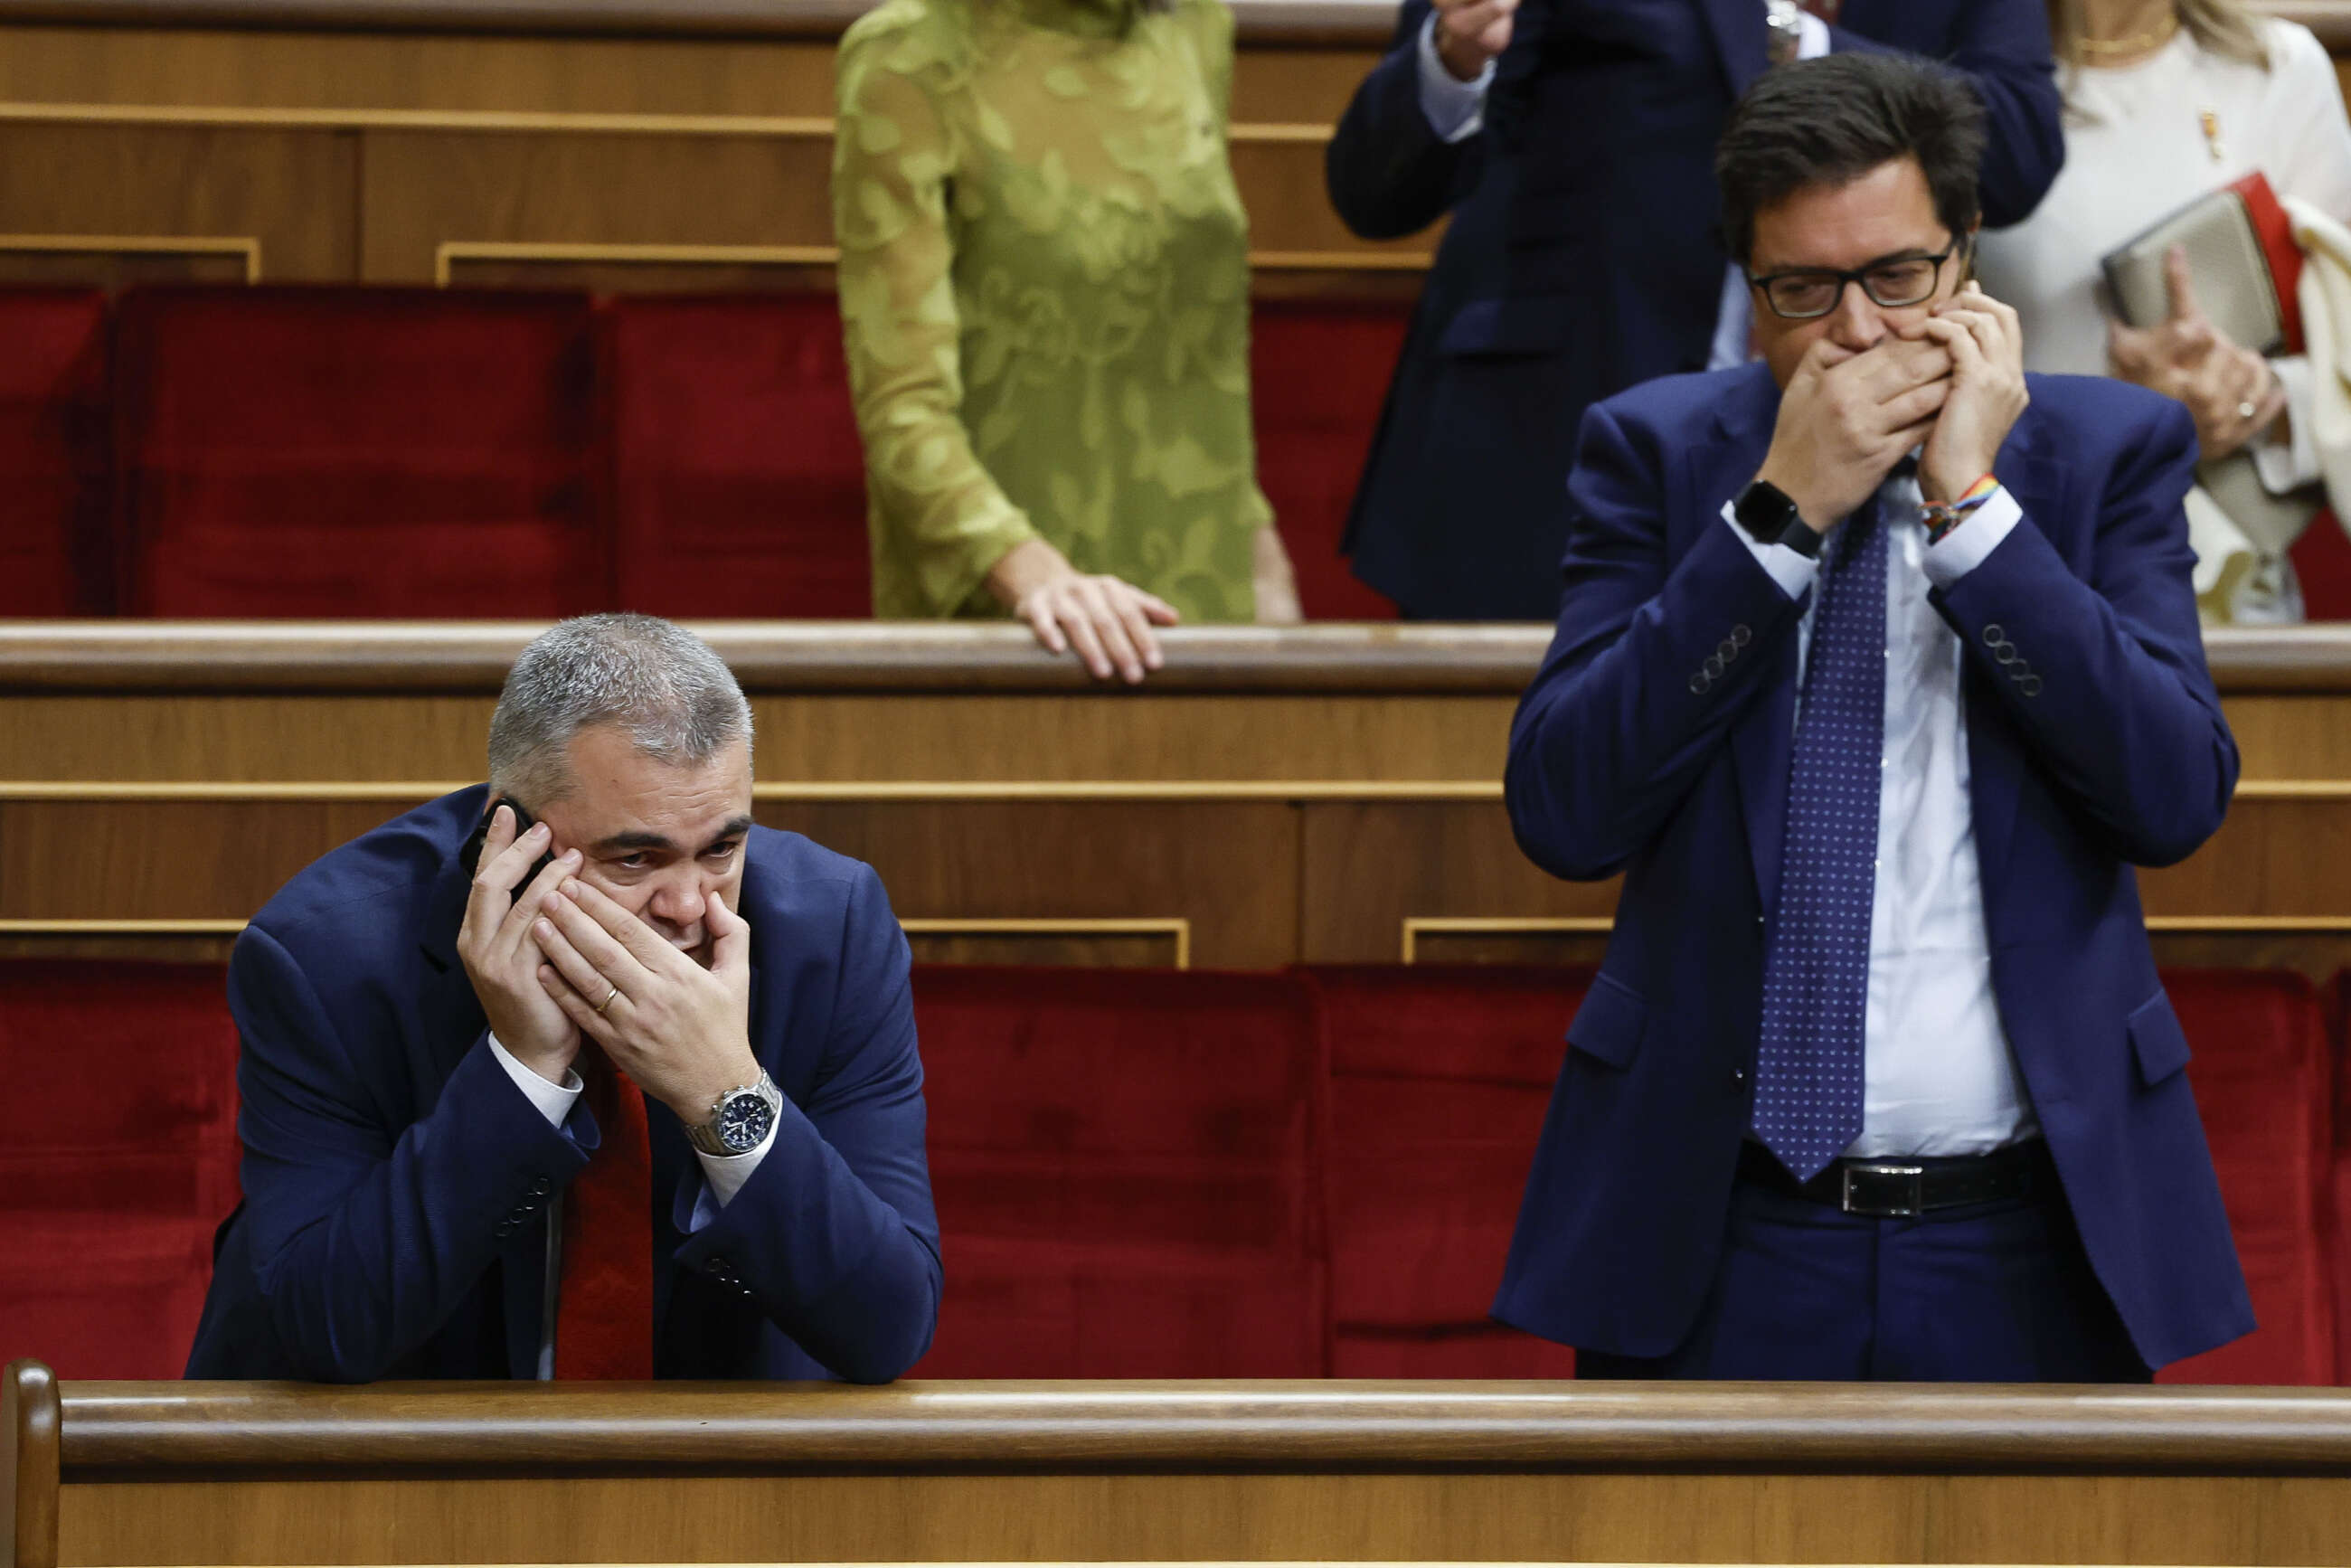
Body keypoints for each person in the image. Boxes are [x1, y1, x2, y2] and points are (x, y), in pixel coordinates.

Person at [1497, 53, 2250, 1379]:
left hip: (2032, 1239)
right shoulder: (1658, 455)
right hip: (1719, 1233)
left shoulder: (2101, 457)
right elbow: (1565, 808)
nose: (1856, 331)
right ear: (1751, 291)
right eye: (1805, 290)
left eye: (1898, 277)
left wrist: (1977, 519)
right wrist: (1775, 520)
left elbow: (2173, 795)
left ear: (1966, 266)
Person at [185, 614, 940, 1382]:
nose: (686, 905)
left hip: (715, 1475)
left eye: (721, 848)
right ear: (507, 842)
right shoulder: (328, 958)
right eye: (635, 857)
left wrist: (724, 1093)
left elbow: (887, 1327)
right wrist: (523, 1072)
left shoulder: (832, 932)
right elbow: (328, 1331)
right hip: (394, 1470)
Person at [1325, 0, 2067, 620]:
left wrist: (1791, 43)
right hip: (1550, 443)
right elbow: (1375, 190)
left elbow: (2019, 152)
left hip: (1888, 451)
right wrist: (1457, 56)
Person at [834, 0, 1299, 685]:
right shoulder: (907, 57)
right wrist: (1039, 578)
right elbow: (901, 408)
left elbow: (1195, 343)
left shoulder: (1197, 24)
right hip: (1023, 617)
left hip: (1213, 592)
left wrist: (1258, 550)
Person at [1974, 0, 2351, 622]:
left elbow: (2336, 363)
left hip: (2224, 598)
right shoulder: (1970, 83)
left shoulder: (2279, 67)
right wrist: (2123, 417)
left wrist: (2252, 398)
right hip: (2018, 576)